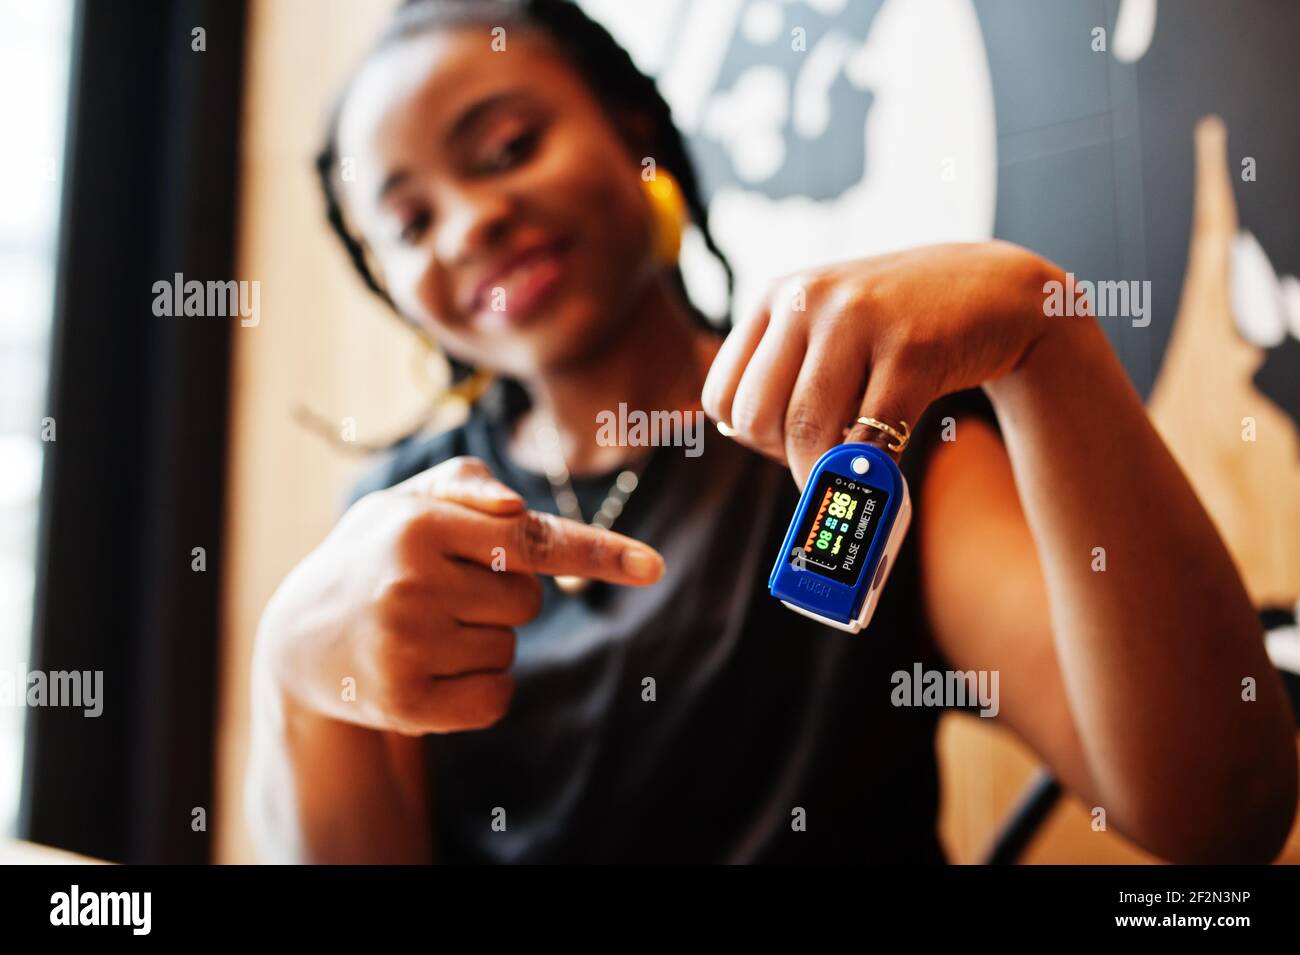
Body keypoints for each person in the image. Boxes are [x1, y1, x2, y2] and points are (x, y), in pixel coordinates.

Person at [245, 0, 1296, 863]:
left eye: (509, 146)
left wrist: (1046, 336)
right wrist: (290, 668)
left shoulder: (864, 435)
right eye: (411, 221)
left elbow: (1215, 816)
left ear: (633, 134)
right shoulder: (394, 522)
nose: (469, 222)